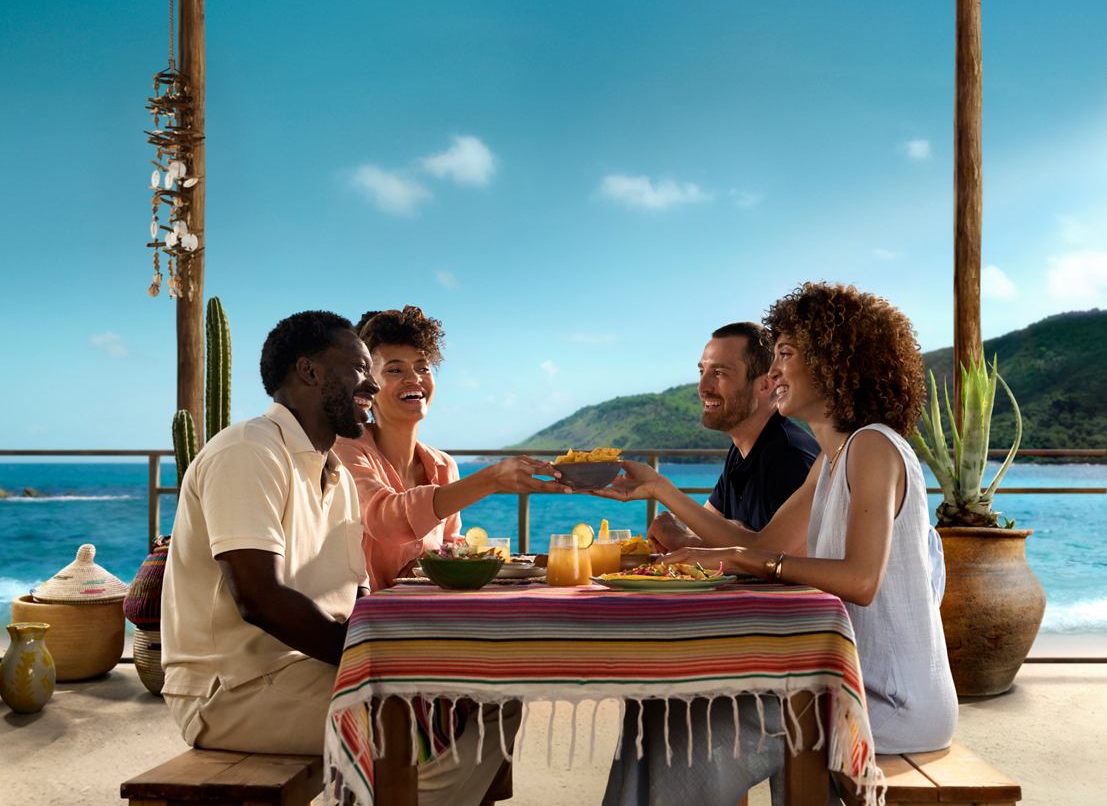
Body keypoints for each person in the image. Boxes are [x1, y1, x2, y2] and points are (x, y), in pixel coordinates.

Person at [602, 283, 958, 806]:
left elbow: (859, 579)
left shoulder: (873, 446)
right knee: (662, 707)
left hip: (884, 699)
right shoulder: (831, 459)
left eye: (786, 355)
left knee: (684, 726)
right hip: (836, 681)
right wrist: (663, 492)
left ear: (836, 362)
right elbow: (764, 543)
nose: (774, 374)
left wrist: (742, 558)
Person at [161, 310, 377, 756]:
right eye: (359, 368)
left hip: (306, 671)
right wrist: (367, 662)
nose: (372, 386)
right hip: (232, 691)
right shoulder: (249, 450)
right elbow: (258, 598)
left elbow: (356, 599)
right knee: (419, 725)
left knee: (478, 700)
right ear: (309, 370)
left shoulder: (336, 477)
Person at [334, 304, 566, 590]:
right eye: (395, 369)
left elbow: (447, 547)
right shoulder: (345, 450)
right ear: (368, 383)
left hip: (427, 615)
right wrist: (490, 479)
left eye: (423, 367)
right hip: (365, 620)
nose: (415, 378)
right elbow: (385, 519)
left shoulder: (443, 466)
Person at [600, 321, 818, 550]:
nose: (702, 387)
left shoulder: (788, 457)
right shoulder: (741, 451)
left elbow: (779, 560)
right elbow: (706, 528)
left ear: (765, 384)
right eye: (702, 371)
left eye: (719, 373)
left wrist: (684, 537)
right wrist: (698, 536)